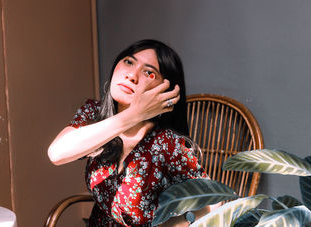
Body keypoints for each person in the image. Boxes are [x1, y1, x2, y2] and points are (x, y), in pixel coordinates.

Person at [48, 39, 210, 226]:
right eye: (129, 62)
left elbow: (212, 201)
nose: (132, 75)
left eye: (149, 72)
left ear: (164, 90)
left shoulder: (166, 143)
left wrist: (179, 222)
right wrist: (133, 115)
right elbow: (57, 153)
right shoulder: (95, 113)